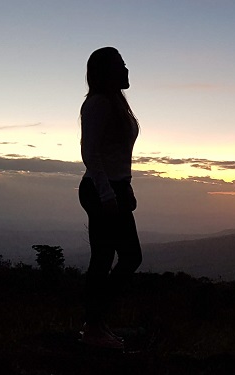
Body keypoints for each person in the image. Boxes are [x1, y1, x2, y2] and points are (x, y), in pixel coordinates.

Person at [78, 47, 142, 349]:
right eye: (122, 65)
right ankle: (93, 327)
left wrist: (125, 187)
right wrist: (107, 194)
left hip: (114, 188)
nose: (128, 70)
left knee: (119, 258)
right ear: (107, 71)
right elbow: (90, 153)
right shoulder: (98, 104)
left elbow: (116, 155)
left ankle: (96, 323)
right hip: (100, 189)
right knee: (110, 259)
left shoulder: (116, 103)